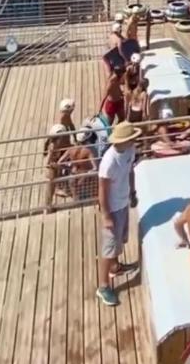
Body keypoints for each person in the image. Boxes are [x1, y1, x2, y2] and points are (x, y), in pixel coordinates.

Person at [96, 121, 142, 307]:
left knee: (119, 241)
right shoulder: (108, 162)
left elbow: (130, 171)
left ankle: (115, 267)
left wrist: (132, 193)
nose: (135, 140)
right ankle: (103, 286)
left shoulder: (130, 151)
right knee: (108, 249)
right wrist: (106, 215)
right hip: (112, 208)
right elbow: (102, 191)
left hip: (123, 203)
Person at [59, 128, 97, 201]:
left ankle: (76, 200)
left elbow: (59, 162)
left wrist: (69, 169)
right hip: (84, 175)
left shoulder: (71, 149)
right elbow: (95, 168)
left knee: (75, 195)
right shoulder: (88, 151)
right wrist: (87, 174)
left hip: (73, 173)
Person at [44, 124, 71, 212]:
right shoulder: (52, 146)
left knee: (58, 178)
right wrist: (57, 165)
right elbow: (47, 162)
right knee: (50, 188)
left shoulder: (60, 142)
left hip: (56, 163)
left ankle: (57, 189)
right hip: (51, 167)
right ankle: (48, 207)